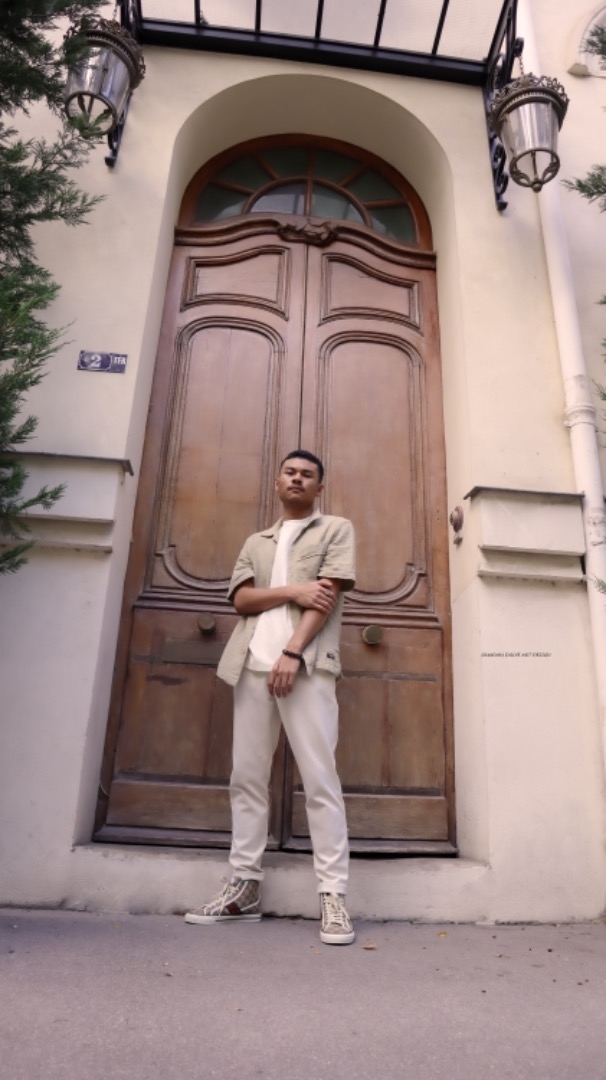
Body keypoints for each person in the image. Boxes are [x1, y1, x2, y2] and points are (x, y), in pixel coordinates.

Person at [185, 450, 356, 945]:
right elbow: (241, 600)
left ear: (319, 486)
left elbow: (326, 595)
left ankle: (333, 896)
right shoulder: (256, 542)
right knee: (246, 779)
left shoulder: (335, 529)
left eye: (307, 475)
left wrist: (291, 652)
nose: (297, 479)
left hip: (305, 667)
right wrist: (292, 591)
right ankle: (244, 889)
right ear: (278, 481)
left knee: (320, 780)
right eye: (290, 472)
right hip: (251, 667)